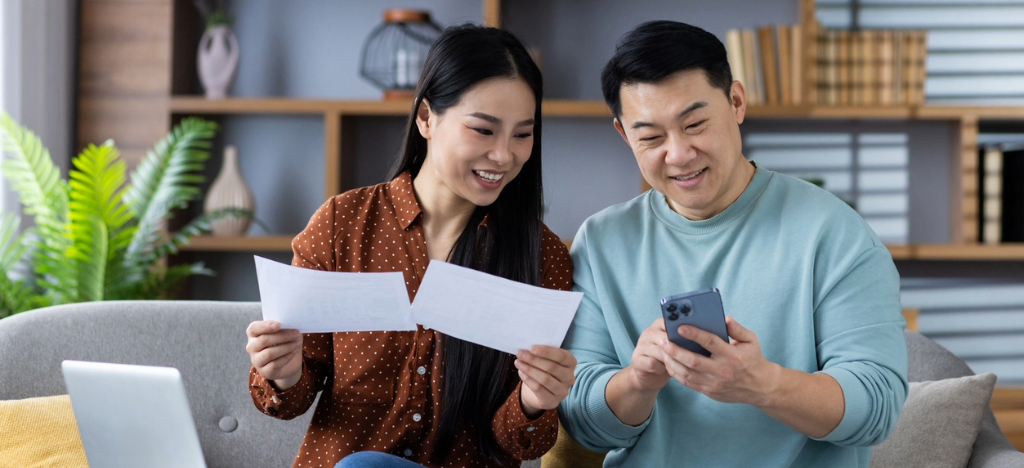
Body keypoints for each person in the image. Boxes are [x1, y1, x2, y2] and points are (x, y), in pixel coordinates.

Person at [556, 21, 908, 467]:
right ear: (625, 136)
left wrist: (762, 384)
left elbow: (877, 409)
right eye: (651, 138)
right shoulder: (602, 242)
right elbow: (584, 426)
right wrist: (638, 381)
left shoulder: (832, 232)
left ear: (737, 102)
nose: (679, 154)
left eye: (695, 124)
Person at [244, 25, 577, 468]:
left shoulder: (542, 256)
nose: (504, 156)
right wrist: (284, 374)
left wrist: (535, 400)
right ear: (426, 119)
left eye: (522, 134)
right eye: (483, 130)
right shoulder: (343, 224)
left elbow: (517, 444)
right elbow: (285, 401)